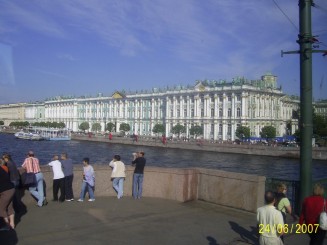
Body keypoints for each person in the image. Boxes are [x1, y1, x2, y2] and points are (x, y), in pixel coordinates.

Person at [0, 160, 15, 230]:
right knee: (9, 207)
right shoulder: (2, 169)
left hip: (5, 191)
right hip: (11, 189)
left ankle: (7, 225)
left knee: (1, 209)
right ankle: (12, 224)